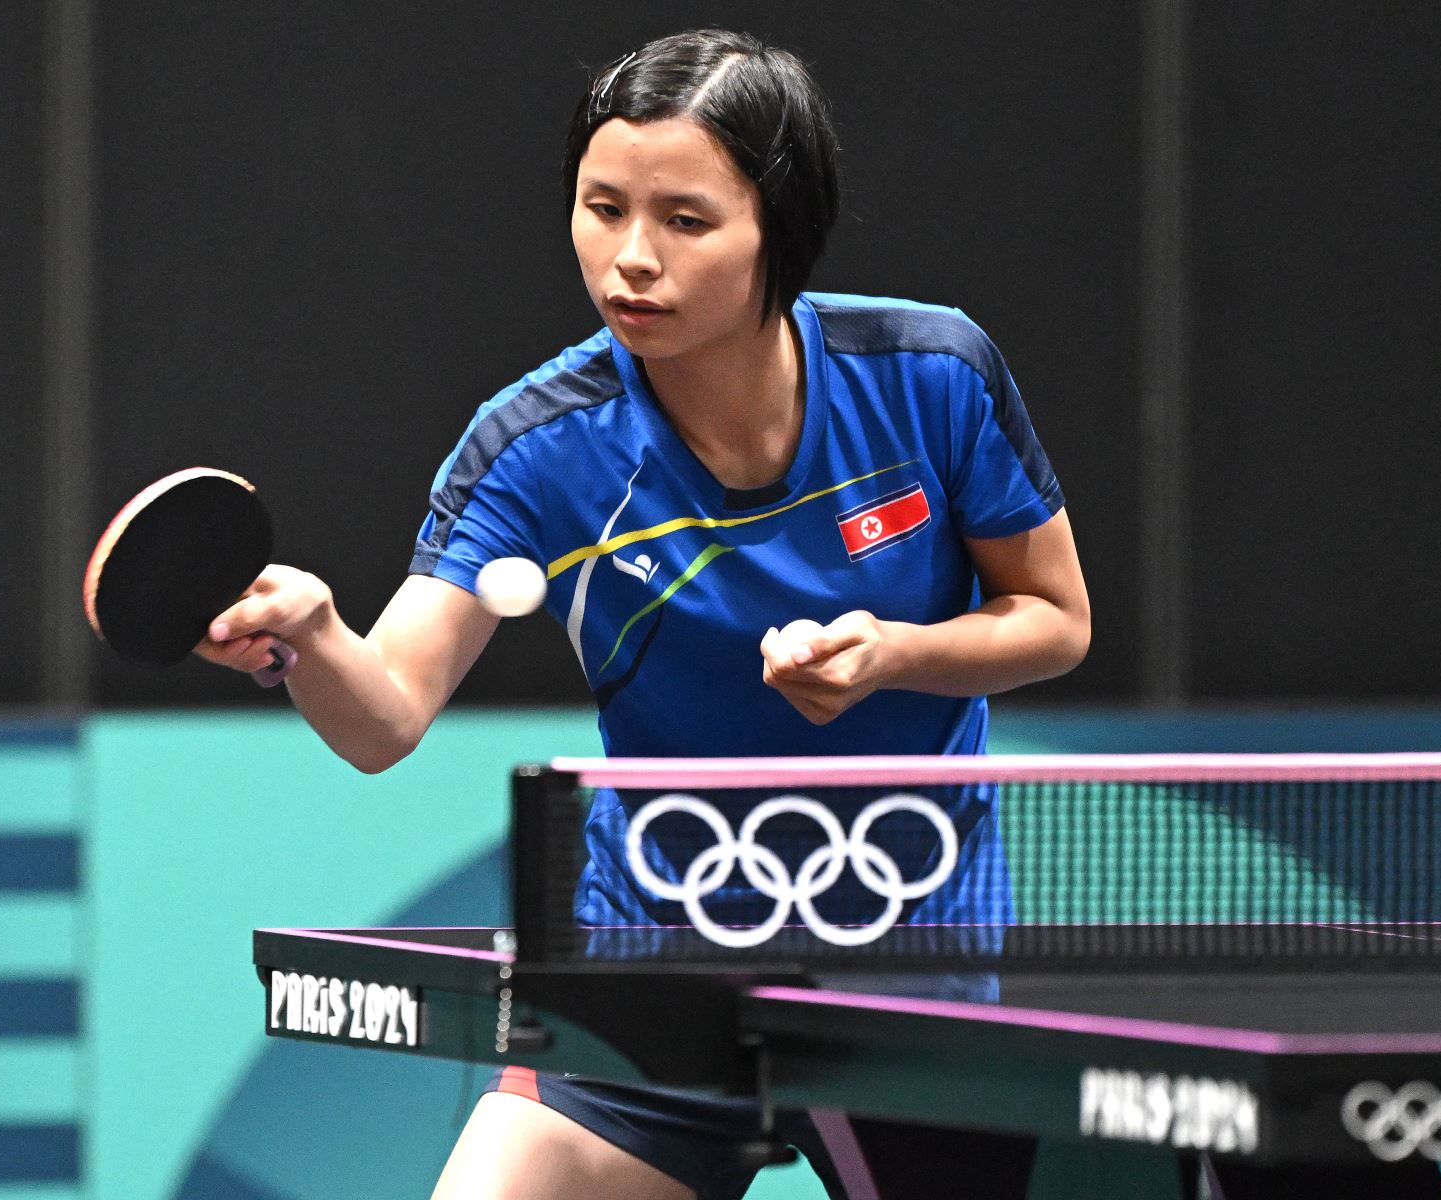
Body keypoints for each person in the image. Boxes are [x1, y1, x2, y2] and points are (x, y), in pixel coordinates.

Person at [202, 27, 1091, 1200]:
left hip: (909, 962)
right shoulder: (537, 451)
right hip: (654, 963)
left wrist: (898, 658)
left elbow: (1055, 619)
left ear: (780, 225)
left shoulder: (931, 378)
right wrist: (315, 637)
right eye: (601, 207)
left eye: (684, 219)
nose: (630, 259)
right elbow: (385, 719)